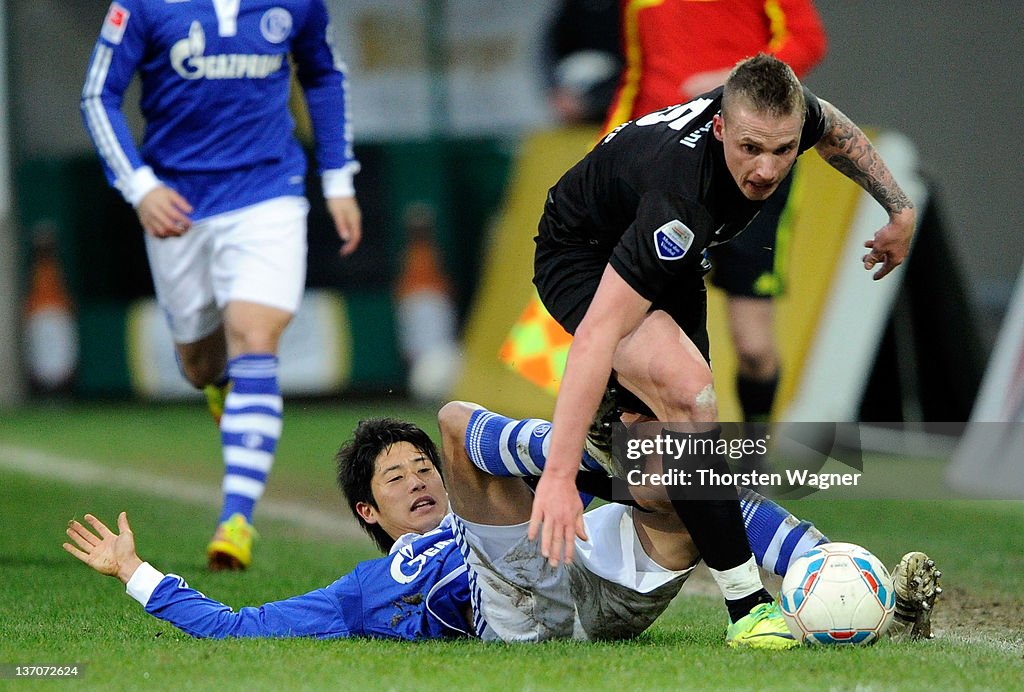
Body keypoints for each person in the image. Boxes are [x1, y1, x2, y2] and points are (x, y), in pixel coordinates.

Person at [528, 54, 917, 637]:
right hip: (582, 256)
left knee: (677, 461)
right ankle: (749, 612)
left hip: (671, 259)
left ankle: (812, 577)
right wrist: (558, 477)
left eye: (783, 151)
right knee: (689, 400)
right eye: (751, 149)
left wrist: (899, 208)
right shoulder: (679, 196)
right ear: (719, 128)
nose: (766, 169)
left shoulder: (785, 117)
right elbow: (595, 337)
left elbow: (832, 124)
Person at [63, 407, 939, 643]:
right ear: (369, 513)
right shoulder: (368, 590)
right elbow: (236, 626)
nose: (417, 482)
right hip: (515, 615)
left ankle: (862, 592)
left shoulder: (489, 503)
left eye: (424, 471)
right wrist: (134, 572)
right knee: (456, 413)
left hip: (586, 571)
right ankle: (594, 455)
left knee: (691, 484)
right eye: (394, 479)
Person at [80, 0, 362, 571]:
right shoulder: (141, 6)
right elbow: (97, 95)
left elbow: (323, 75)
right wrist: (139, 186)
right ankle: (219, 389)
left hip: (269, 191)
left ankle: (236, 519)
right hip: (177, 203)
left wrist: (337, 177)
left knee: (256, 336)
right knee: (199, 364)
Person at [602, 0, 828, 424]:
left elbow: (807, 41)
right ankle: (649, 464)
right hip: (664, 171)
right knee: (642, 330)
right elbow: (636, 75)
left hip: (750, 168)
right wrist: (604, 152)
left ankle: (754, 457)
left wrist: (730, 84)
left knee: (754, 346)